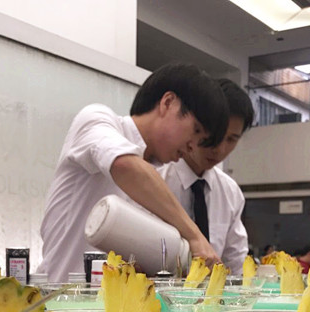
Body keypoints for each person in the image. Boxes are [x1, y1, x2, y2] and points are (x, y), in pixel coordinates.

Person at [37, 64, 228, 282]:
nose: (192, 148)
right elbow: (124, 166)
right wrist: (194, 237)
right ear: (168, 103)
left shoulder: (158, 177)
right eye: (195, 130)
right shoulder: (96, 120)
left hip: (115, 303)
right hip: (61, 298)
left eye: (200, 141)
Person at [158, 79, 254, 274]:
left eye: (231, 139)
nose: (219, 149)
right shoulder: (154, 177)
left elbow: (235, 264)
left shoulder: (230, 192)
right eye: (213, 136)